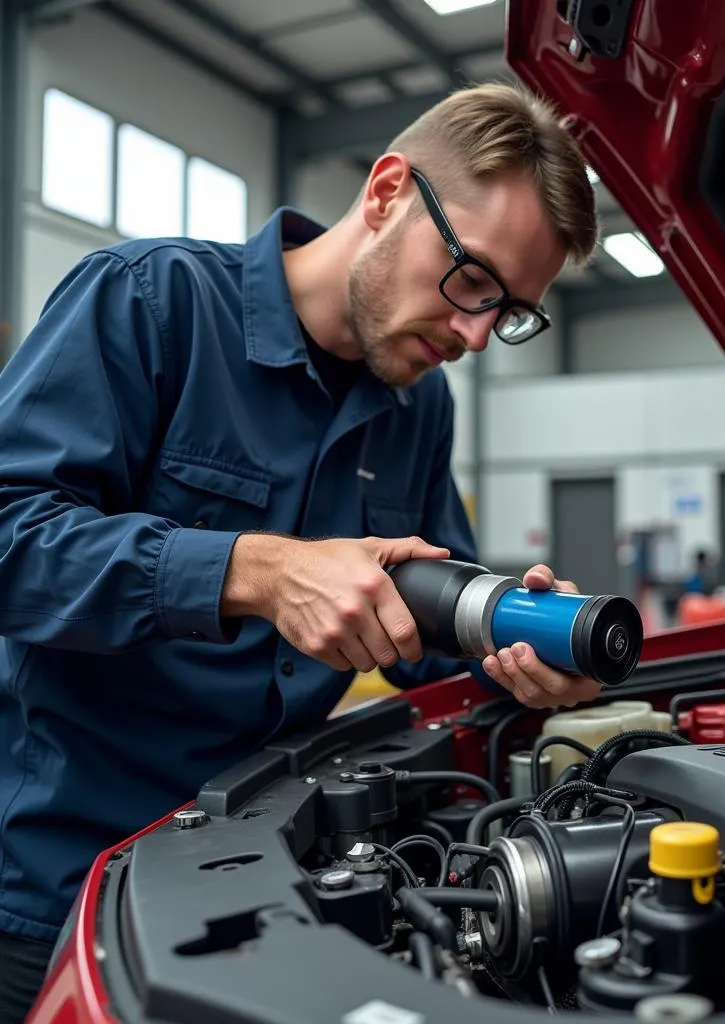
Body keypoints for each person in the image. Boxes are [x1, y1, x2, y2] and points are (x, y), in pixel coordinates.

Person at [0, 82, 600, 1022]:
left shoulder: (418, 403)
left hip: (271, 880)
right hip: (59, 902)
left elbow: (428, 620)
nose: (477, 334)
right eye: (473, 282)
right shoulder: (152, 305)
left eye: (509, 312)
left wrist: (516, 648)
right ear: (387, 191)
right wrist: (257, 571)